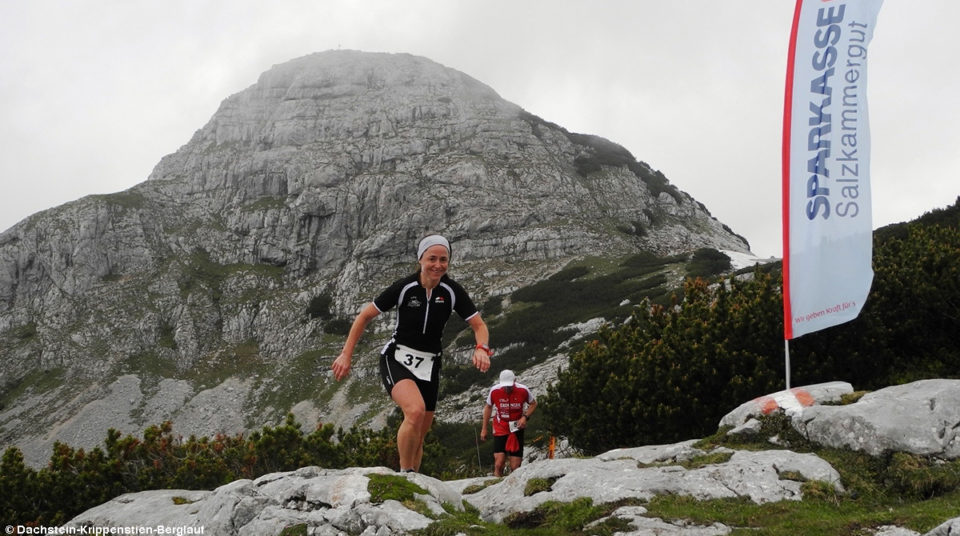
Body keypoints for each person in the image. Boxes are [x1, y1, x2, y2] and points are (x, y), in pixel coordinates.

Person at [332, 234, 492, 473]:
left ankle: (415, 479)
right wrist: (346, 355)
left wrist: (481, 349)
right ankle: (405, 473)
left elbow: (479, 325)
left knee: (420, 433)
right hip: (397, 358)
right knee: (414, 412)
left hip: (430, 365)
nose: (438, 265)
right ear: (420, 259)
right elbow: (364, 317)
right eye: (432, 258)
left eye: (443, 259)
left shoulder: (452, 291)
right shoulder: (404, 288)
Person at [480, 369, 537, 476]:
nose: (507, 389)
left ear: (514, 381)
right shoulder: (494, 390)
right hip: (501, 426)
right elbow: (488, 407)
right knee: (499, 463)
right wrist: (484, 428)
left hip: (517, 427)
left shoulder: (523, 390)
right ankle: (496, 485)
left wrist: (525, 417)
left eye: (509, 386)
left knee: (515, 467)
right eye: (505, 386)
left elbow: (533, 404)